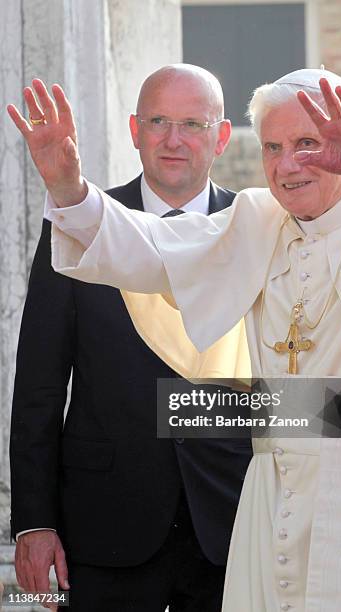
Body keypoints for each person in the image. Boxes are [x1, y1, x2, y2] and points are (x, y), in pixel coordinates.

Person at [8, 67, 341, 610]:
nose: (287, 166)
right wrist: (69, 190)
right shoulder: (259, 217)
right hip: (266, 504)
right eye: (272, 146)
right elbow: (150, 247)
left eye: (308, 144)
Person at [8, 64, 252, 612]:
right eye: (158, 121)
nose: (172, 139)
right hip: (103, 524)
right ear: (133, 130)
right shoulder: (74, 222)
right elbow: (39, 386)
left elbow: (289, 377)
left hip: (231, 521)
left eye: (192, 123)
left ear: (220, 136)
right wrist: (34, 521)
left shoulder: (258, 229)